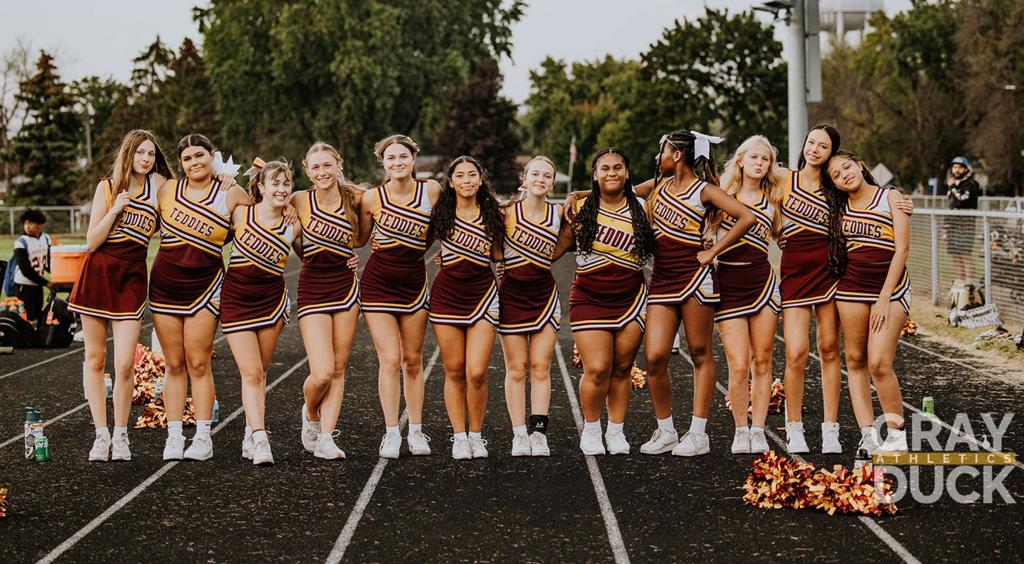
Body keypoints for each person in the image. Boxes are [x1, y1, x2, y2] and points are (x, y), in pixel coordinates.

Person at [632, 130, 756, 457]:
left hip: (695, 279)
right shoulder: (656, 187)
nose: (656, 158)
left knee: (700, 352)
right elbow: (618, 193)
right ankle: (666, 429)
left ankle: (699, 433)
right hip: (663, 279)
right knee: (655, 357)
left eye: (661, 152)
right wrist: (577, 194)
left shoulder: (705, 191)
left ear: (676, 155)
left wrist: (713, 251)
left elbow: (747, 217)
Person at [69, 129, 173, 462]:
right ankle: (101, 434)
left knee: (125, 363)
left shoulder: (159, 186)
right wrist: (115, 210)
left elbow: (191, 193)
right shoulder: (108, 187)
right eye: (140, 153)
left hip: (131, 275)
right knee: (96, 359)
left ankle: (121, 434)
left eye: (151, 154)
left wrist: (226, 181)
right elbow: (92, 240)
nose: (145, 159)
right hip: (99, 273)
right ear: (128, 154)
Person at [150, 133, 251, 461]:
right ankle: (174, 435)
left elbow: (259, 226)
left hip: (205, 287)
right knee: (174, 363)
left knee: (198, 362)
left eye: (200, 156)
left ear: (213, 156)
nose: (195, 163)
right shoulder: (167, 189)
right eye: (188, 159)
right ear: (180, 164)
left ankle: (204, 437)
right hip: (165, 287)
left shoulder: (232, 193)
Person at [555, 147, 655, 456]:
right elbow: (552, 250)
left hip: (631, 297)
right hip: (589, 297)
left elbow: (663, 180)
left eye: (618, 168)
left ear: (626, 173)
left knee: (622, 368)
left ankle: (616, 430)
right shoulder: (580, 208)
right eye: (605, 168)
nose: (611, 173)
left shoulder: (642, 205)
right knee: (597, 368)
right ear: (595, 175)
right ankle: (591, 428)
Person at [357, 134, 442, 459]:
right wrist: (351, 257)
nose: (397, 162)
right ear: (383, 162)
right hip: (378, 284)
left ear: (413, 159)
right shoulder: (370, 198)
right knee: (390, 360)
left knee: (413, 360)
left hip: (414, 283)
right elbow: (361, 240)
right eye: (391, 158)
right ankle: (392, 431)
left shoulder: (431, 190)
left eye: (403, 157)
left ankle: (417, 430)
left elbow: (443, 225)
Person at [825, 150, 910, 453]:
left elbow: (901, 250)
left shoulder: (891, 197)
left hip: (891, 291)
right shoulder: (838, 209)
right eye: (835, 175)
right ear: (834, 184)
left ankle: (897, 436)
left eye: (846, 167)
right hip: (851, 291)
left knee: (878, 363)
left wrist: (885, 298)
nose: (844, 174)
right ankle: (868, 434)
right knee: (856, 361)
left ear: (859, 165)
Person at [708, 135, 784, 455]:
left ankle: (758, 429)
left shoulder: (774, 199)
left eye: (765, 159)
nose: (759, 163)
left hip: (763, 283)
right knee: (738, 365)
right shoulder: (720, 195)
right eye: (754, 157)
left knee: (762, 361)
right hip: (728, 285)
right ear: (740, 159)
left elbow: (785, 239)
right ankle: (740, 428)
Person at [221, 159, 299, 465]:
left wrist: (348, 262)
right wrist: (227, 178)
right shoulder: (242, 213)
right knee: (251, 372)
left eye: (286, 184)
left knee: (261, 372)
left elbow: (319, 252)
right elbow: (219, 183)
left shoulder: (294, 223)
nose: (281, 189)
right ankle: (260, 437)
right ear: (261, 187)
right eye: (274, 183)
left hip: (271, 302)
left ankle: (249, 432)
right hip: (237, 300)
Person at [427, 156, 504, 459]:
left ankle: (476, 434)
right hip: (447, 297)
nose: (467, 180)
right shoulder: (441, 212)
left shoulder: (493, 214)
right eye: (460, 176)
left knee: (476, 372)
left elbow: (498, 254)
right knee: (455, 370)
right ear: (451, 182)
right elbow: (413, 243)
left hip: (483, 295)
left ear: (481, 179)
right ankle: (459, 436)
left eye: (472, 175)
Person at [293, 142, 363, 460]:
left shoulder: (356, 199)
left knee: (337, 368)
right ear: (308, 171)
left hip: (345, 289)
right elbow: (264, 208)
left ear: (338, 165)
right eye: (315, 167)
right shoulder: (299, 200)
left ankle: (326, 437)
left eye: (327, 165)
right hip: (312, 288)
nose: (322, 171)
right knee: (320, 372)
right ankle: (310, 414)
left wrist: (355, 258)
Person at [498, 156, 561, 457]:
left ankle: (539, 432)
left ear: (552, 182)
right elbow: (490, 247)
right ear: (524, 178)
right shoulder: (506, 213)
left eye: (546, 175)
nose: (540, 179)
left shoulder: (560, 213)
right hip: (511, 295)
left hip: (544, 296)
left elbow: (565, 246)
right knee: (516, 368)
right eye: (535, 173)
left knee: (540, 366)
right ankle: (519, 434)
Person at [11, 209, 51, 326]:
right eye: (26, 223)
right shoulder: (21, 242)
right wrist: (46, 283)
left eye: (31, 223)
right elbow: (26, 270)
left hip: (37, 284)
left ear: (39, 224)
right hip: (24, 285)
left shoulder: (46, 238)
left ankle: (36, 341)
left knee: (38, 316)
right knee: (27, 318)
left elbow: (48, 262)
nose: (28, 226)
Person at [945, 156, 980, 283]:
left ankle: (970, 287)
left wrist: (952, 186)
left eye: (960, 167)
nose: (957, 170)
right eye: (955, 167)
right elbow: (950, 206)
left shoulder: (971, 185)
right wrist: (945, 228)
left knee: (966, 256)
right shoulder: (952, 186)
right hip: (953, 226)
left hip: (966, 226)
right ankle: (960, 287)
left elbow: (961, 200)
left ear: (966, 169)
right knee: (956, 257)